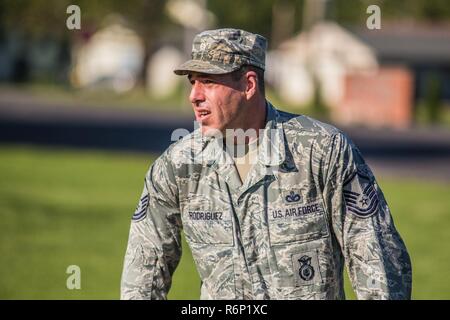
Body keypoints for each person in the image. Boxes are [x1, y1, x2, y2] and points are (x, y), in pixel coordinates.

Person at [120, 28, 412, 300]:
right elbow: (144, 270)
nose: (194, 96)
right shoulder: (177, 166)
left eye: (208, 81)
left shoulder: (321, 150)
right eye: (192, 81)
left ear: (248, 85)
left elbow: (377, 257)